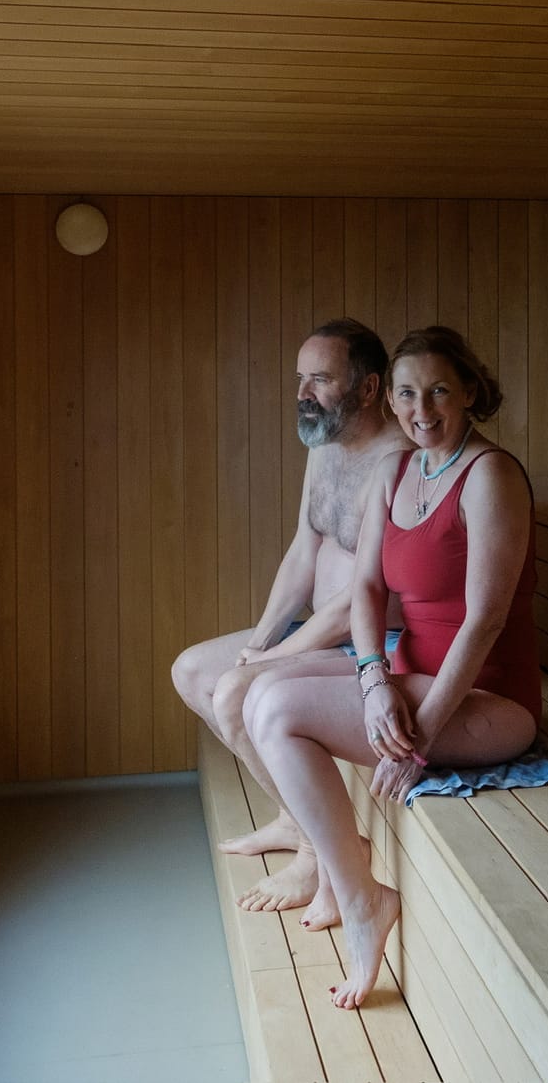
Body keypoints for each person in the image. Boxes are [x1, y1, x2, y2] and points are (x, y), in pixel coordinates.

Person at [244, 326, 541, 1009]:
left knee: (283, 712)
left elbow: (485, 620)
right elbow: (369, 591)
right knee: (263, 693)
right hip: (409, 677)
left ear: (470, 390)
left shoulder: (490, 475)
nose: (422, 408)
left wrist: (425, 733)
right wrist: (373, 678)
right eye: (408, 392)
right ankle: (348, 879)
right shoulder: (397, 471)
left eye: (439, 389)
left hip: (487, 698)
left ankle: (360, 898)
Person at [170, 318, 411, 915]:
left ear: (368, 388)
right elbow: (303, 553)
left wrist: (275, 659)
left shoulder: (400, 463)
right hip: (317, 635)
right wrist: (260, 642)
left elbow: (368, 592)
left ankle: (317, 853)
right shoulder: (326, 449)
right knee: (195, 670)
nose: (303, 392)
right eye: (300, 378)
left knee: (234, 696)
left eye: (320, 379)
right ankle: (292, 819)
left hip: (373, 642)